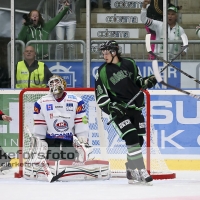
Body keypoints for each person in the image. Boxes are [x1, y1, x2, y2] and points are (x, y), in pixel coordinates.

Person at [95, 40, 157, 184]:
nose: (104, 56)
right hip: (119, 111)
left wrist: (147, 82)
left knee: (139, 140)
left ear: (114, 52)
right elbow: (100, 94)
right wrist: (111, 107)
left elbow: (138, 81)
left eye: (106, 52)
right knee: (131, 137)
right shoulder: (102, 71)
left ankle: (130, 168)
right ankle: (141, 169)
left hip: (135, 108)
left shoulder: (129, 63)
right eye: (103, 53)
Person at [25, 75, 92, 175]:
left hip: (69, 140)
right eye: (52, 83)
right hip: (51, 140)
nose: (54, 85)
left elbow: (81, 122)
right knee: (52, 164)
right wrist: (40, 141)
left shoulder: (77, 101)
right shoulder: (41, 103)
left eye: (57, 82)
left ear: (63, 84)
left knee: (68, 167)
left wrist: (82, 140)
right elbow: (39, 125)